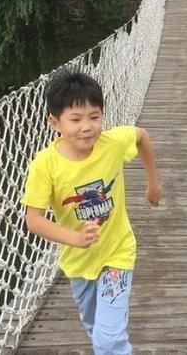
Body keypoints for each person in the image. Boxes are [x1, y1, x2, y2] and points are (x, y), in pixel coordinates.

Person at [21, 70, 162, 355]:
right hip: (78, 262)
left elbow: (141, 137)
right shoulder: (44, 165)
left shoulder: (112, 143)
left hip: (117, 253)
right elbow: (33, 220)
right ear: (55, 122)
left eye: (94, 117)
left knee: (108, 338)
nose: (87, 127)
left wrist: (153, 184)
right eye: (75, 120)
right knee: (95, 328)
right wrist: (74, 238)